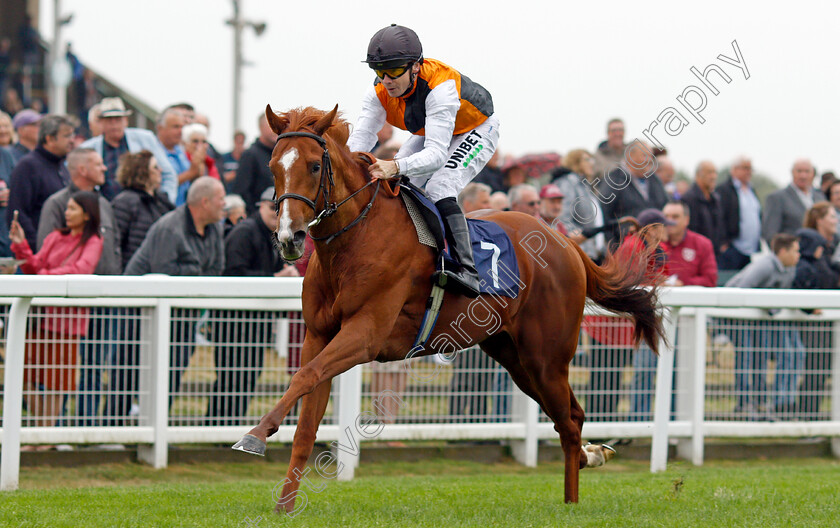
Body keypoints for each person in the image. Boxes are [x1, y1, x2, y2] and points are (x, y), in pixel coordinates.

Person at [345, 24, 499, 298]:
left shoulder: (441, 88)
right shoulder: (377, 92)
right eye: (379, 72)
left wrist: (394, 165)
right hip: (433, 130)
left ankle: (468, 271)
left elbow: (437, 155)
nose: (386, 80)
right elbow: (360, 141)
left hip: (476, 129)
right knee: (401, 182)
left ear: (415, 66)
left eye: (393, 70)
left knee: (440, 186)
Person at [36, 148, 122, 424]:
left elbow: (114, 246)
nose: (105, 169)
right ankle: (53, 427)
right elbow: (46, 251)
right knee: (57, 369)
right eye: (98, 164)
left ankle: (86, 425)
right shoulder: (56, 203)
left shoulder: (104, 203)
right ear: (82, 169)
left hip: (102, 298)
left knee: (94, 366)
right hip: (66, 306)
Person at [124, 176, 225, 411]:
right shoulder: (170, 227)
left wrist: (192, 275)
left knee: (175, 367)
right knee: (129, 369)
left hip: (183, 313)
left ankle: (158, 420)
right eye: (220, 199)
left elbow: (217, 269)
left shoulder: (215, 229)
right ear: (205, 202)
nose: (224, 205)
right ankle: (113, 430)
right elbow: (164, 273)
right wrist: (195, 274)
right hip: (140, 312)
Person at [8, 191, 103, 428]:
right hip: (41, 318)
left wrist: (43, 277)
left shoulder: (93, 241)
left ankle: (44, 435)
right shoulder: (55, 237)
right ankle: (43, 431)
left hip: (68, 323)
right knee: (25, 375)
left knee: (56, 382)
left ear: (87, 214)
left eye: (72, 209)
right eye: (67, 208)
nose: (67, 213)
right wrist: (21, 245)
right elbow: (35, 265)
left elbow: (81, 270)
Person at [206, 187, 298, 425]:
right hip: (233, 323)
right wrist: (275, 278)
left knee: (248, 376)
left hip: (256, 323)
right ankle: (217, 427)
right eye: (271, 207)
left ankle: (228, 426)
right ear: (259, 206)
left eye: (280, 209)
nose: (276, 213)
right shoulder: (244, 232)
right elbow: (232, 274)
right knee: (231, 377)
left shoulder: (275, 234)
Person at [106, 150, 175, 423]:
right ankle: (113, 422)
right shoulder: (125, 202)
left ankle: (150, 422)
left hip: (158, 292)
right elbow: (116, 245)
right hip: (132, 291)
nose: (160, 172)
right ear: (142, 171)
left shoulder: (163, 202)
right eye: (155, 167)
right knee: (125, 360)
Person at [582, 209, 669, 422]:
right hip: (607, 327)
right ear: (651, 230)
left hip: (613, 327)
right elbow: (625, 286)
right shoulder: (634, 248)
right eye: (661, 227)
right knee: (604, 379)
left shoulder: (640, 246)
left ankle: (603, 424)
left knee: (609, 379)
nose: (665, 232)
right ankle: (597, 425)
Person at [724, 233, 801, 419]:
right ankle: (744, 404)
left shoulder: (790, 268)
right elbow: (742, 288)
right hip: (739, 316)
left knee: (762, 358)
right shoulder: (765, 266)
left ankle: (759, 403)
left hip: (760, 318)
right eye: (795, 251)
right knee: (746, 357)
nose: (798, 255)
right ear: (782, 252)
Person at [81, 97, 176, 201]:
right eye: (109, 120)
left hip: (142, 206)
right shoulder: (88, 148)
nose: (114, 125)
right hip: (105, 207)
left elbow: (168, 174)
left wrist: (164, 202)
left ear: (126, 121)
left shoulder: (144, 139)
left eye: (118, 119)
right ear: (101, 123)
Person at [7, 114, 74, 248]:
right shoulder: (28, 166)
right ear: (49, 139)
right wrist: (38, 247)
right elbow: (17, 213)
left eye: (72, 135)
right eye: (67, 136)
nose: (72, 140)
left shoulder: (61, 165)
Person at [599, 142, 668, 246]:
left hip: (655, 247)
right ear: (630, 157)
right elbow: (604, 215)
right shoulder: (614, 180)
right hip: (626, 248)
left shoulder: (654, 180)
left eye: (651, 156)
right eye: (645, 155)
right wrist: (615, 245)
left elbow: (665, 207)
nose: (650, 160)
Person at [554, 149, 607, 263]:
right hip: (581, 254)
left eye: (592, 159)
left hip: (594, 253)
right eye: (587, 159)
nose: (591, 163)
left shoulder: (585, 185)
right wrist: (582, 242)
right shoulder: (568, 184)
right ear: (575, 162)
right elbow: (563, 219)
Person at [716, 156, 761, 271]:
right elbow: (719, 217)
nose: (749, 172)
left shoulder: (752, 190)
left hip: (751, 250)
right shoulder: (724, 190)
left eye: (750, 169)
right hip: (733, 248)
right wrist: (724, 242)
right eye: (745, 168)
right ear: (734, 169)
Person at [762, 159, 823, 242]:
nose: (803, 176)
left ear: (813, 174)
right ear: (792, 173)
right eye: (799, 171)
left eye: (807, 172)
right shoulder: (777, 198)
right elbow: (770, 232)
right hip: (791, 251)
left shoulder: (820, 197)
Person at [660, 201, 718, 287]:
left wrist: (684, 283)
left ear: (686, 220)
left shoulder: (702, 244)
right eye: (666, 217)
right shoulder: (653, 243)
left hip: (691, 299)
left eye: (675, 217)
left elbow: (710, 279)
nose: (669, 221)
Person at [232, 113, 277, 216]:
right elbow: (241, 191)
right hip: (258, 219)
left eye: (278, 126)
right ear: (260, 127)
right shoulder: (250, 154)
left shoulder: (280, 155)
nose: (275, 129)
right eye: (271, 126)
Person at [681, 161, 724, 255]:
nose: (713, 176)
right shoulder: (688, 199)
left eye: (714, 172)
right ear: (698, 175)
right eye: (709, 172)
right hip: (697, 254)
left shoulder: (715, 199)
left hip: (714, 254)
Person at [175, 122, 219, 205]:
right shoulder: (180, 161)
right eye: (195, 141)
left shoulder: (210, 164)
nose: (200, 145)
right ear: (185, 143)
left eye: (204, 141)